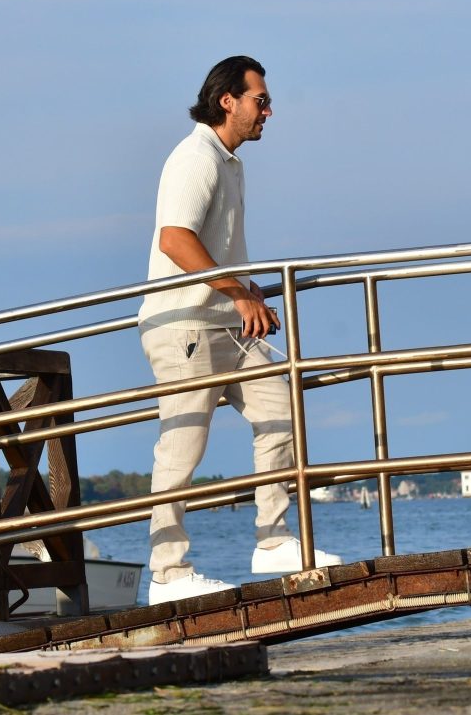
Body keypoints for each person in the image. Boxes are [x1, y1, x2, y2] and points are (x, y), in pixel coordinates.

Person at [138, 56, 342, 604]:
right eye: (261, 100)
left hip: (229, 323)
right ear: (228, 100)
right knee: (182, 447)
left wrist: (247, 296)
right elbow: (174, 240)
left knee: (281, 409)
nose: (268, 111)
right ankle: (167, 574)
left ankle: (273, 540)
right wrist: (238, 291)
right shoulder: (196, 157)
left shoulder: (230, 161)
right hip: (185, 324)